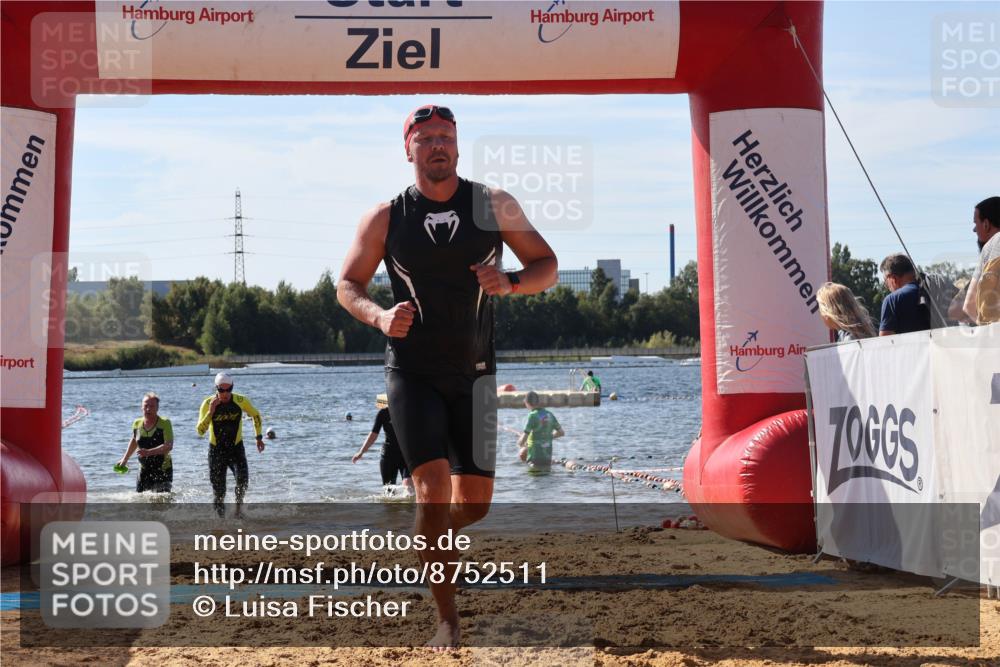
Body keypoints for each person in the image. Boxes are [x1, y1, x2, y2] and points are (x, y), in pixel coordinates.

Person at [336, 104, 558, 649]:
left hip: (477, 373)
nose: (438, 146)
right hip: (412, 373)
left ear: (458, 147)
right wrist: (381, 317)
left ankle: (427, 537)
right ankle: (448, 621)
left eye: (446, 137)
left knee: (474, 504)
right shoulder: (385, 218)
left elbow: (546, 266)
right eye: (427, 138)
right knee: (433, 492)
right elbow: (347, 285)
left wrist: (509, 282)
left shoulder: (493, 205)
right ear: (408, 149)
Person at [196, 372, 265, 518]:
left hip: (236, 449)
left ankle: (238, 511)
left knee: (243, 481)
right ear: (216, 388)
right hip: (216, 451)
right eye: (221, 390)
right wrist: (211, 412)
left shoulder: (241, 400)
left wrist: (258, 437)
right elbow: (200, 431)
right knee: (219, 492)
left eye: (229, 389)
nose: (225, 394)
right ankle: (220, 523)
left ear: (232, 387)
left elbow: (256, 415)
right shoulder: (207, 403)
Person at [117, 392, 173, 493]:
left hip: (163, 469)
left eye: (152, 406)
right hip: (144, 470)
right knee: (140, 501)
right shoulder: (137, 423)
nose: (148, 409)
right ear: (141, 407)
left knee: (161, 502)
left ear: (157, 408)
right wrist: (125, 459)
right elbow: (134, 440)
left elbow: (168, 446)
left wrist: (148, 452)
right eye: (145, 406)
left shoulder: (165, 423)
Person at [353, 407, 413, 494]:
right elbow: (373, 434)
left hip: (406, 455)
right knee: (388, 491)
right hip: (388, 456)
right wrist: (361, 452)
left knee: (408, 487)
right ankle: (392, 507)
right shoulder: (383, 412)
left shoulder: (410, 411)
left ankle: (407, 506)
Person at [963, 196, 1000, 324]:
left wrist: (987, 332)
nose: (974, 229)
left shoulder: (991, 246)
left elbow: (969, 306)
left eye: (975, 223)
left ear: (986, 224)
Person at [878, 253, 930, 336]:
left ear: (893, 279)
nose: (887, 287)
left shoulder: (892, 300)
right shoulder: (931, 290)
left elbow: (885, 341)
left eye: (885, 282)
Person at [517, 391, 565, 473]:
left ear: (527, 403)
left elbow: (521, 442)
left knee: (522, 452)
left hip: (534, 461)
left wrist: (520, 443)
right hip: (547, 460)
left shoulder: (532, 416)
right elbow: (561, 433)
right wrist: (548, 437)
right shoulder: (549, 414)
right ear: (538, 402)